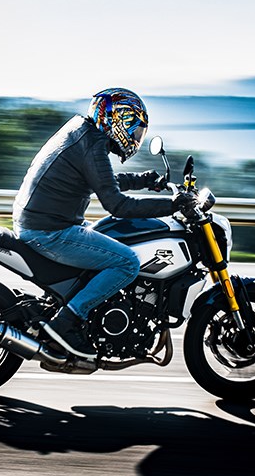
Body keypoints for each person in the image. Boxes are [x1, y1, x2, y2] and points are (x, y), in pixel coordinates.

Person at [12, 87, 194, 359]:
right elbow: (118, 205)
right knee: (127, 262)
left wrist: (145, 180)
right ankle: (66, 322)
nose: (135, 138)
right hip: (49, 231)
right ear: (117, 120)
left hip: (44, 222)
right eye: (135, 131)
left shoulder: (83, 133)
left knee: (108, 233)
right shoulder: (93, 144)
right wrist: (173, 205)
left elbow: (103, 181)